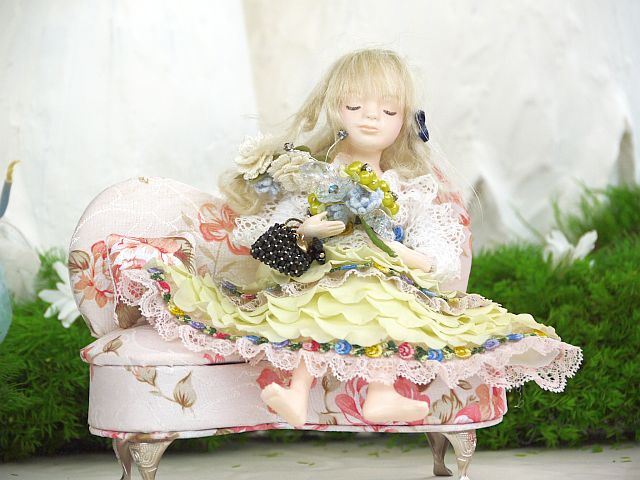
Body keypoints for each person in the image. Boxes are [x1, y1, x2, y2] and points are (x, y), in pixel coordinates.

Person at [124, 48, 582, 427]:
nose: (371, 119)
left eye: (388, 110)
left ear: (405, 121)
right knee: (314, 310)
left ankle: (381, 394)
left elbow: (432, 241)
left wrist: (412, 256)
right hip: (324, 272)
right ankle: (295, 392)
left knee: (385, 309)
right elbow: (276, 225)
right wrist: (307, 229)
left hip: (385, 276)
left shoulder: (405, 187)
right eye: (356, 106)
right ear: (335, 109)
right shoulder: (315, 175)